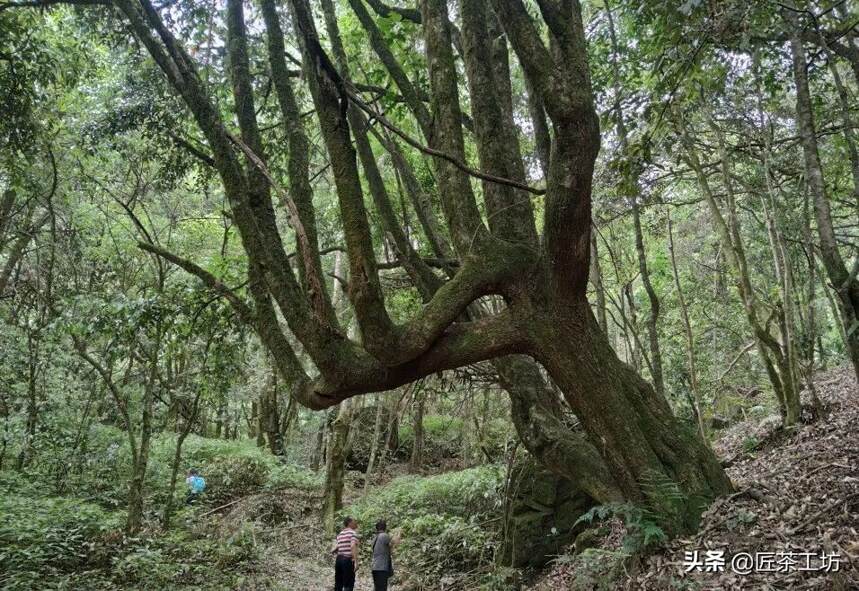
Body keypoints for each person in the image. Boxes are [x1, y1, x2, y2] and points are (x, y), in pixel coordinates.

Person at [332, 516, 359, 591]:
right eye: (354, 521)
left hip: (339, 560)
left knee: (338, 583)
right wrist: (356, 561)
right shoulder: (353, 533)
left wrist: (334, 551)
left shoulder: (340, 533)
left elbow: (336, 547)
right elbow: (353, 545)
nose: (356, 522)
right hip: (347, 560)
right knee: (348, 584)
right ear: (349, 523)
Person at [371, 520, 398, 591]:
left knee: (377, 588)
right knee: (382, 588)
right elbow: (392, 545)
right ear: (385, 527)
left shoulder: (375, 538)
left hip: (375, 567)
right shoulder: (384, 535)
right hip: (382, 568)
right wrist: (398, 535)